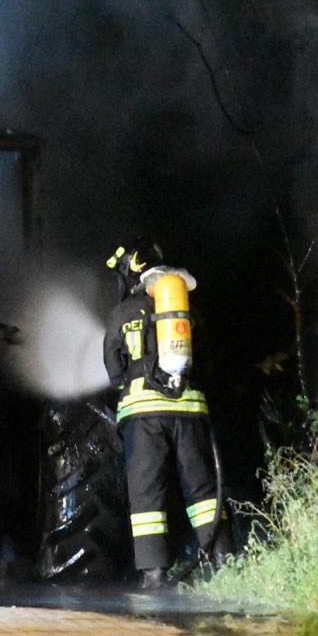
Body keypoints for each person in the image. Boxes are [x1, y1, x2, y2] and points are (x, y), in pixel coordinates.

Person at [101, 237, 232, 589]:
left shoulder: (122, 313)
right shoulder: (188, 311)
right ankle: (224, 560)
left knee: (146, 492)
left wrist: (130, 381)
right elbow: (208, 361)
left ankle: (154, 573)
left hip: (143, 416)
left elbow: (114, 369)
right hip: (189, 411)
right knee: (203, 489)